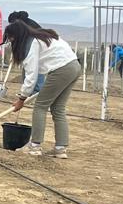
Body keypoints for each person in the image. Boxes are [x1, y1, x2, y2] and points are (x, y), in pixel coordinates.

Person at [7, 19, 80, 157]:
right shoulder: (42, 36)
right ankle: (60, 149)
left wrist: (21, 98)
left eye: (11, 38)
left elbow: (31, 76)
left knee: (40, 106)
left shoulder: (31, 44)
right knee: (58, 109)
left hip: (62, 69)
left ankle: (34, 146)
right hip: (74, 66)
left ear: (17, 36)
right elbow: (40, 70)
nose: (11, 42)